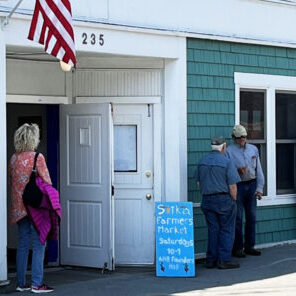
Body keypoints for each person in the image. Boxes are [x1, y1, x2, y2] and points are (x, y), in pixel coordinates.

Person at [9, 123, 54, 293]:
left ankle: (21, 283)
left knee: (22, 244)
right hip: (36, 207)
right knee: (39, 243)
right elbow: (47, 182)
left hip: (18, 207)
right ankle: (37, 283)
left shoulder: (13, 158)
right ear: (33, 138)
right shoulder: (37, 157)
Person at [195, 137, 241, 269]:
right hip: (223, 199)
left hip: (207, 199)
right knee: (227, 229)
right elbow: (232, 186)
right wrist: (234, 200)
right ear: (223, 147)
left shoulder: (202, 161)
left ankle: (211, 259)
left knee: (213, 229)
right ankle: (224, 260)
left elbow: (199, 183)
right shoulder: (227, 162)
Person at [226, 125, 265, 258]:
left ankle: (250, 246)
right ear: (234, 138)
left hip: (252, 184)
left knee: (251, 217)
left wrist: (260, 188)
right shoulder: (229, 151)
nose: (242, 139)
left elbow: (258, 169)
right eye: (239, 137)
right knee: (238, 218)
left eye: (244, 137)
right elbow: (227, 172)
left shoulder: (253, 149)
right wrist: (237, 172)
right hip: (238, 186)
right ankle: (237, 248)